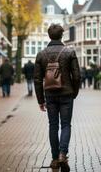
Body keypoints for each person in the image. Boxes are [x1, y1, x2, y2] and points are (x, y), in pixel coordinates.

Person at [34, 24, 81, 171]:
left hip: (50, 95)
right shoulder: (69, 52)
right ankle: (62, 154)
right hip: (67, 94)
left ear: (49, 36)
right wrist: (74, 92)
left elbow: (36, 79)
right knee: (66, 125)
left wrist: (40, 100)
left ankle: (55, 159)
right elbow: (77, 76)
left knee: (53, 125)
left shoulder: (41, 54)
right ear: (62, 35)